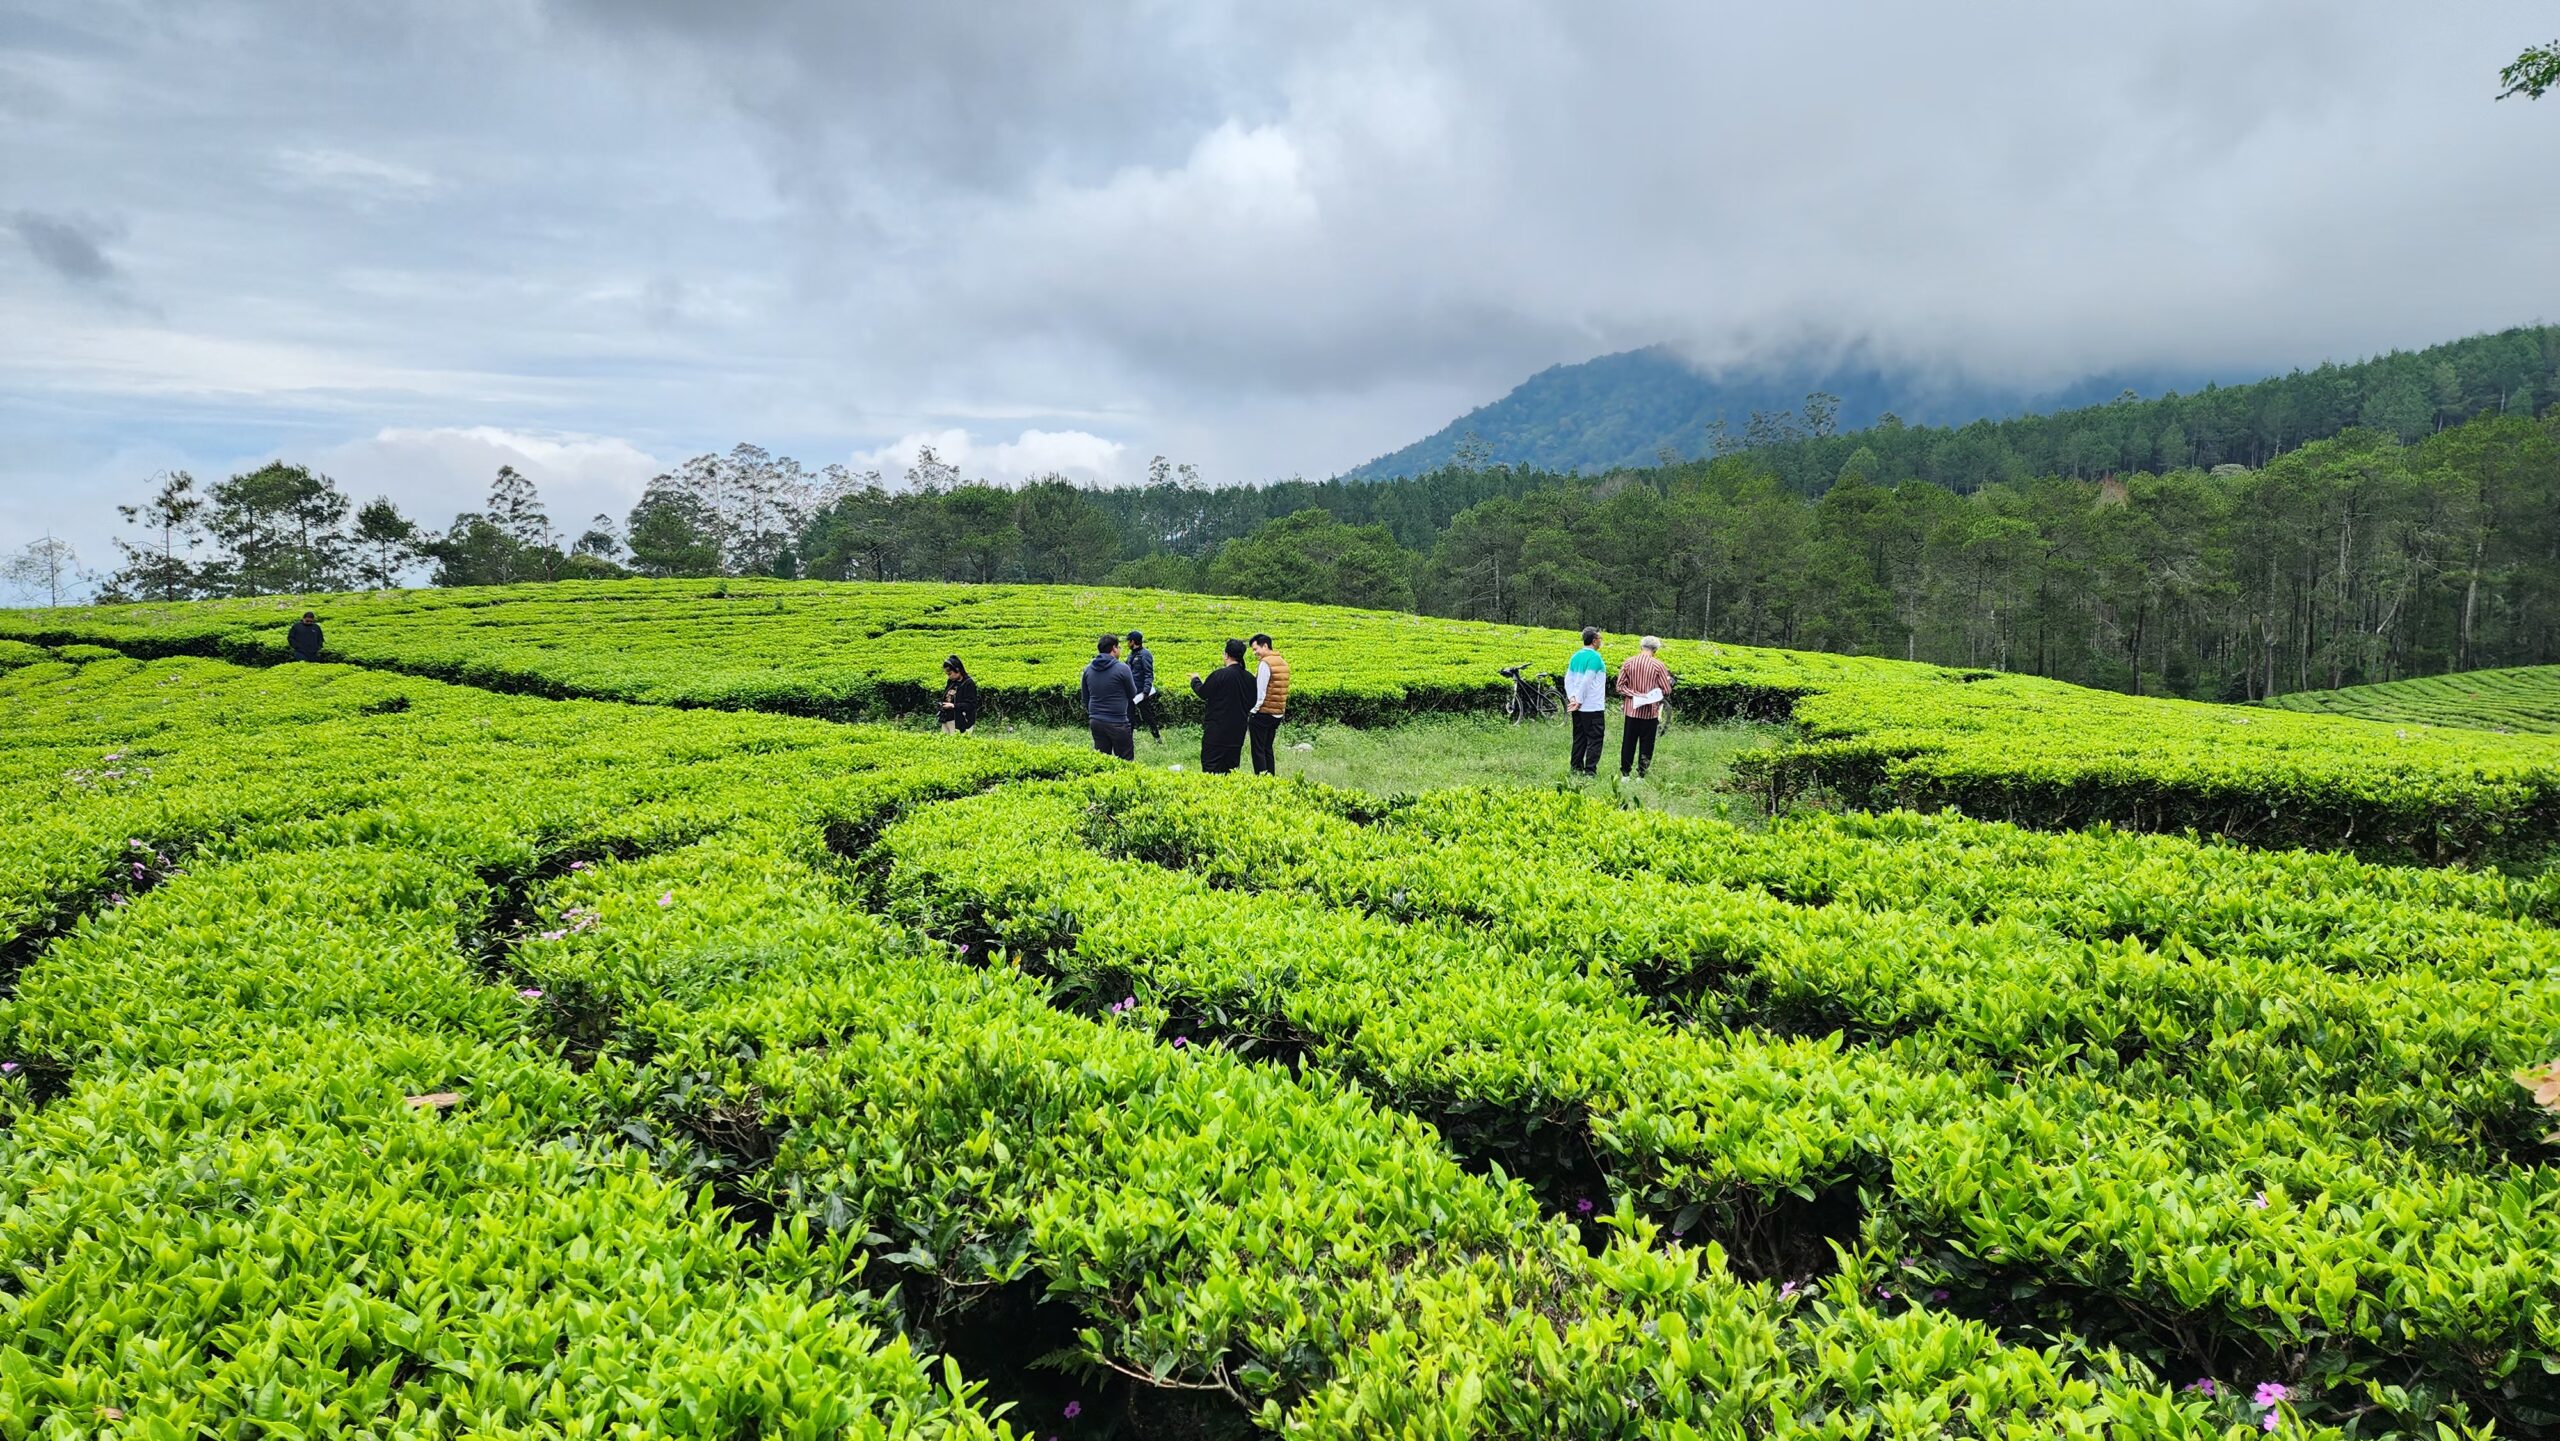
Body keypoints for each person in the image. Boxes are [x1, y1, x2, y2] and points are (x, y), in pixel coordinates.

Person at [1189, 638, 1253, 774]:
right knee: (1231, 769)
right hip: (1238, 731)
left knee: (1210, 767)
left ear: (1226, 655)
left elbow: (1203, 692)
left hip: (1216, 730)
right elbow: (1253, 701)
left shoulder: (1219, 675)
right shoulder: (1249, 678)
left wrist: (1195, 680)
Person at [1616, 635, 1673, 778]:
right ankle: (1641, 775)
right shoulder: (1659, 665)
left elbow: (1620, 687)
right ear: (1655, 650)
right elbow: (1666, 690)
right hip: (1650, 712)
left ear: (1641, 646)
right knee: (1647, 744)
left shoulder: (1629, 662)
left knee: (1628, 742)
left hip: (1631, 711)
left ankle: (1625, 774)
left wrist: (1635, 694)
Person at [1080, 633, 1139, 760]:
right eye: (1119, 647)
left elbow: (1085, 698)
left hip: (1096, 721)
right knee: (1125, 761)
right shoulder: (1122, 668)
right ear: (1114, 648)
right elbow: (1132, 694)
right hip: (1117, 721)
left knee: (1102, 760)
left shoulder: (1087, 669)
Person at [1563, 626, 1607, 776]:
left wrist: (1572, 698)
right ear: (1594, 641)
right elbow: (1587, 680)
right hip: (1592, 706)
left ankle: (1575, 768)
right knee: (1595, 739)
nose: (1601, 641)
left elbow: (1568, 679)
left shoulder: (1575, 656)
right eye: (1600, 638)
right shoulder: (1595, 657)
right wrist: (1580, 700)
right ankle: (1590, 772)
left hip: (1576, 706)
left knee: (1579, 738)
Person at [1247, 632, 1290, 776]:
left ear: (1265, 646)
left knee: (1258, 750)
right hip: (1277, 713)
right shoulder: (1282, 662)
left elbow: (1261, 692)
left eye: (1256, 649)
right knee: (1267, 748)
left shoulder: (1265, 664)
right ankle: (1271, 779)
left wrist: (1253, 710)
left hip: (1263, 713)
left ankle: (1262, 780)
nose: (1255, 653)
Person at [1125, 629, 1163, 742]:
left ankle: (1157, 737)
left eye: (1128, 641)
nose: (1127, 643)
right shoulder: (1131, 655)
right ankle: (1129, 739)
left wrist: (1146, 691)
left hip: (1141, 692)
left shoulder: (1145, 654)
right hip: (1131, 690)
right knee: (1129, 716)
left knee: (1147, 715)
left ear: (1133, 642)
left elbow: (1148, 674)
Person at [938, 655, 980, 734]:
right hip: (947, 718)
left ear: (957, 670)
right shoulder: (951, 681)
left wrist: (953, 706)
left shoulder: (968, 683)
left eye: (950, 674)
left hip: (961, 722)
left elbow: (971, 705)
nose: (949, 676)